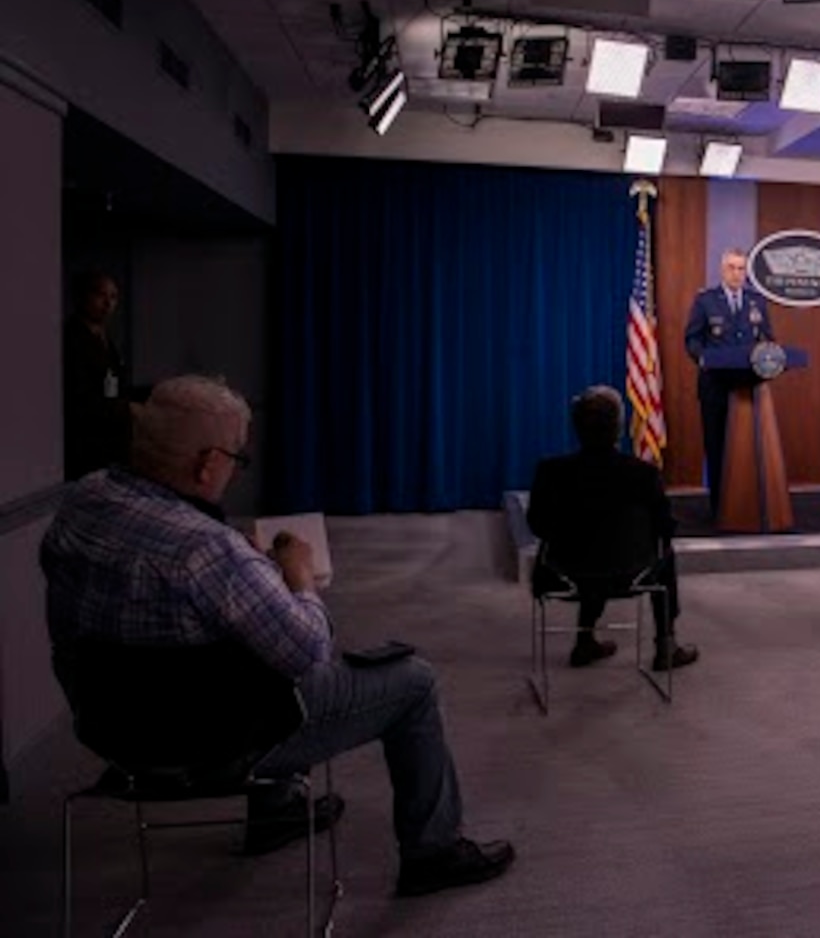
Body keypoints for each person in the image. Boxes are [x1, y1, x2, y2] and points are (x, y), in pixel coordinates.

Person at [39, 376, 514, 898]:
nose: (235, 470)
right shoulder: (209, 552)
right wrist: (297, 577)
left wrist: (244, 572)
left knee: (239, 650)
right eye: (236, 458)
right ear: (206, 465)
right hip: (212, 743)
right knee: (413, 681)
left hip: (113, 729)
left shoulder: (85, 501)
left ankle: (279, 812)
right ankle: (433, 851)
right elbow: (309, 652)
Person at [527, 386, 698, 670]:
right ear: (619, 428)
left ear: (576, 427)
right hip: (632, 575)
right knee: (664, 554)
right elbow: (666, 528)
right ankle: (666, 646)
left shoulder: (551, 472)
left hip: (563, 576)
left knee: (591, 555)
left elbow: (537, 525)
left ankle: (585, 641)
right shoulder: (643, 474)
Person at [683, 247, 774, 515]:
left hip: (749, 385)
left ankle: (746, 503)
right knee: (717, 445)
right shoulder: (705, 301)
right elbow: (692, 338)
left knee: (747, 447)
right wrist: (701, 357)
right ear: (722, 270)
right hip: (715, 386)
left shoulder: (757, 301)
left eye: (741, 268)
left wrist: (770, 356)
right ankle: (720, 506)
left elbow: (768, 339)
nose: (737, 274)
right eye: (732, 268)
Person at [63, 270, 131, 479]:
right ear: (82, 296)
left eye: (113, 297)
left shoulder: (105, 339)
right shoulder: (71, 337)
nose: (107, 304)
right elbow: (78, 396)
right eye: (101, 295)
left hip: (109, 440)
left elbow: (113, 385)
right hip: (83, 442)